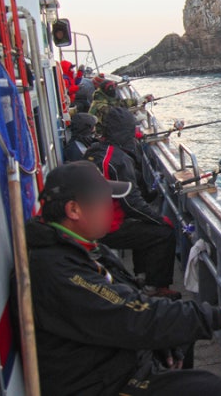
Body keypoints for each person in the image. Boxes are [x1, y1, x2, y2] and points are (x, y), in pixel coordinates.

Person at [28, 161, 221, 395]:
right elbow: (130, 314)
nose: (111, 207)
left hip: (109, 357)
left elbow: (128, 304)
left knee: (180, 338)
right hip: (98, 381)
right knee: (214, 390)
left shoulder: (80, 248)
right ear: (73, 210)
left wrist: (154, 344)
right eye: (104, 201)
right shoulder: (59, 270)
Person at [86, 107, 178, 298]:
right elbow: (131, 204)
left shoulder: (94, 150)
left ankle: (141, 276)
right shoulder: (118, 159)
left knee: (141, 226)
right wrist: (159, 219)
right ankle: (155, 287)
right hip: (108, 227)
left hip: (90, 223)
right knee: (163, 232)